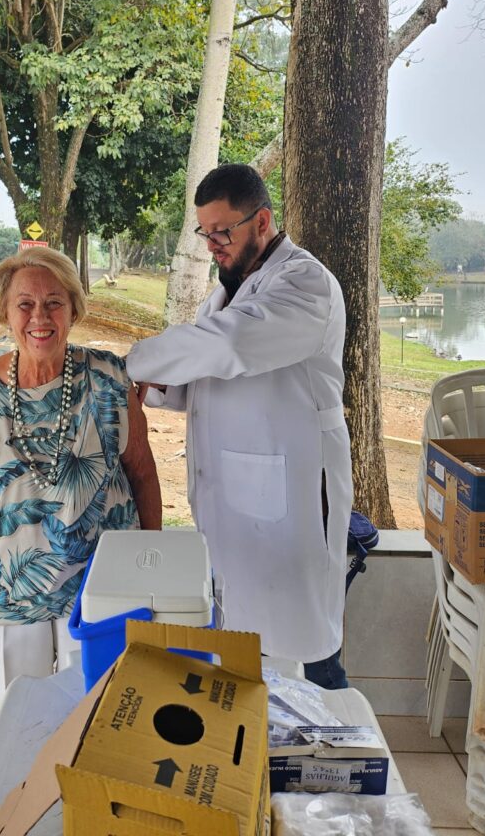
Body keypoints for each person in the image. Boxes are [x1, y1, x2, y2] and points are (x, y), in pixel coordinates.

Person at [126, 164, 353, 688]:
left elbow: (230, 347)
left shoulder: (305, 284)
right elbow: (206, 376)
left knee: (304, 661)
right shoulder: (230, 289)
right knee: (249, 652)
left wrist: (134, 364)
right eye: (206, 233)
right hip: (236, 508)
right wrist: (156, 387)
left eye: (223, 232)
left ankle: (336, 751)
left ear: (263, 221)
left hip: (289, 501)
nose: (212, 245)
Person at [0, 246, 162, 717]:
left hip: (99, 579)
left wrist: (152, 562)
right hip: (4, 581)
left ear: (73, 309)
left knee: (102, 713)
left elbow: (142, 472)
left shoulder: (108, 377)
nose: (39, 317)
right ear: (5, 312)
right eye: (25, 304)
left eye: (54, 302)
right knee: (16, 715)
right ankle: (22, 792)